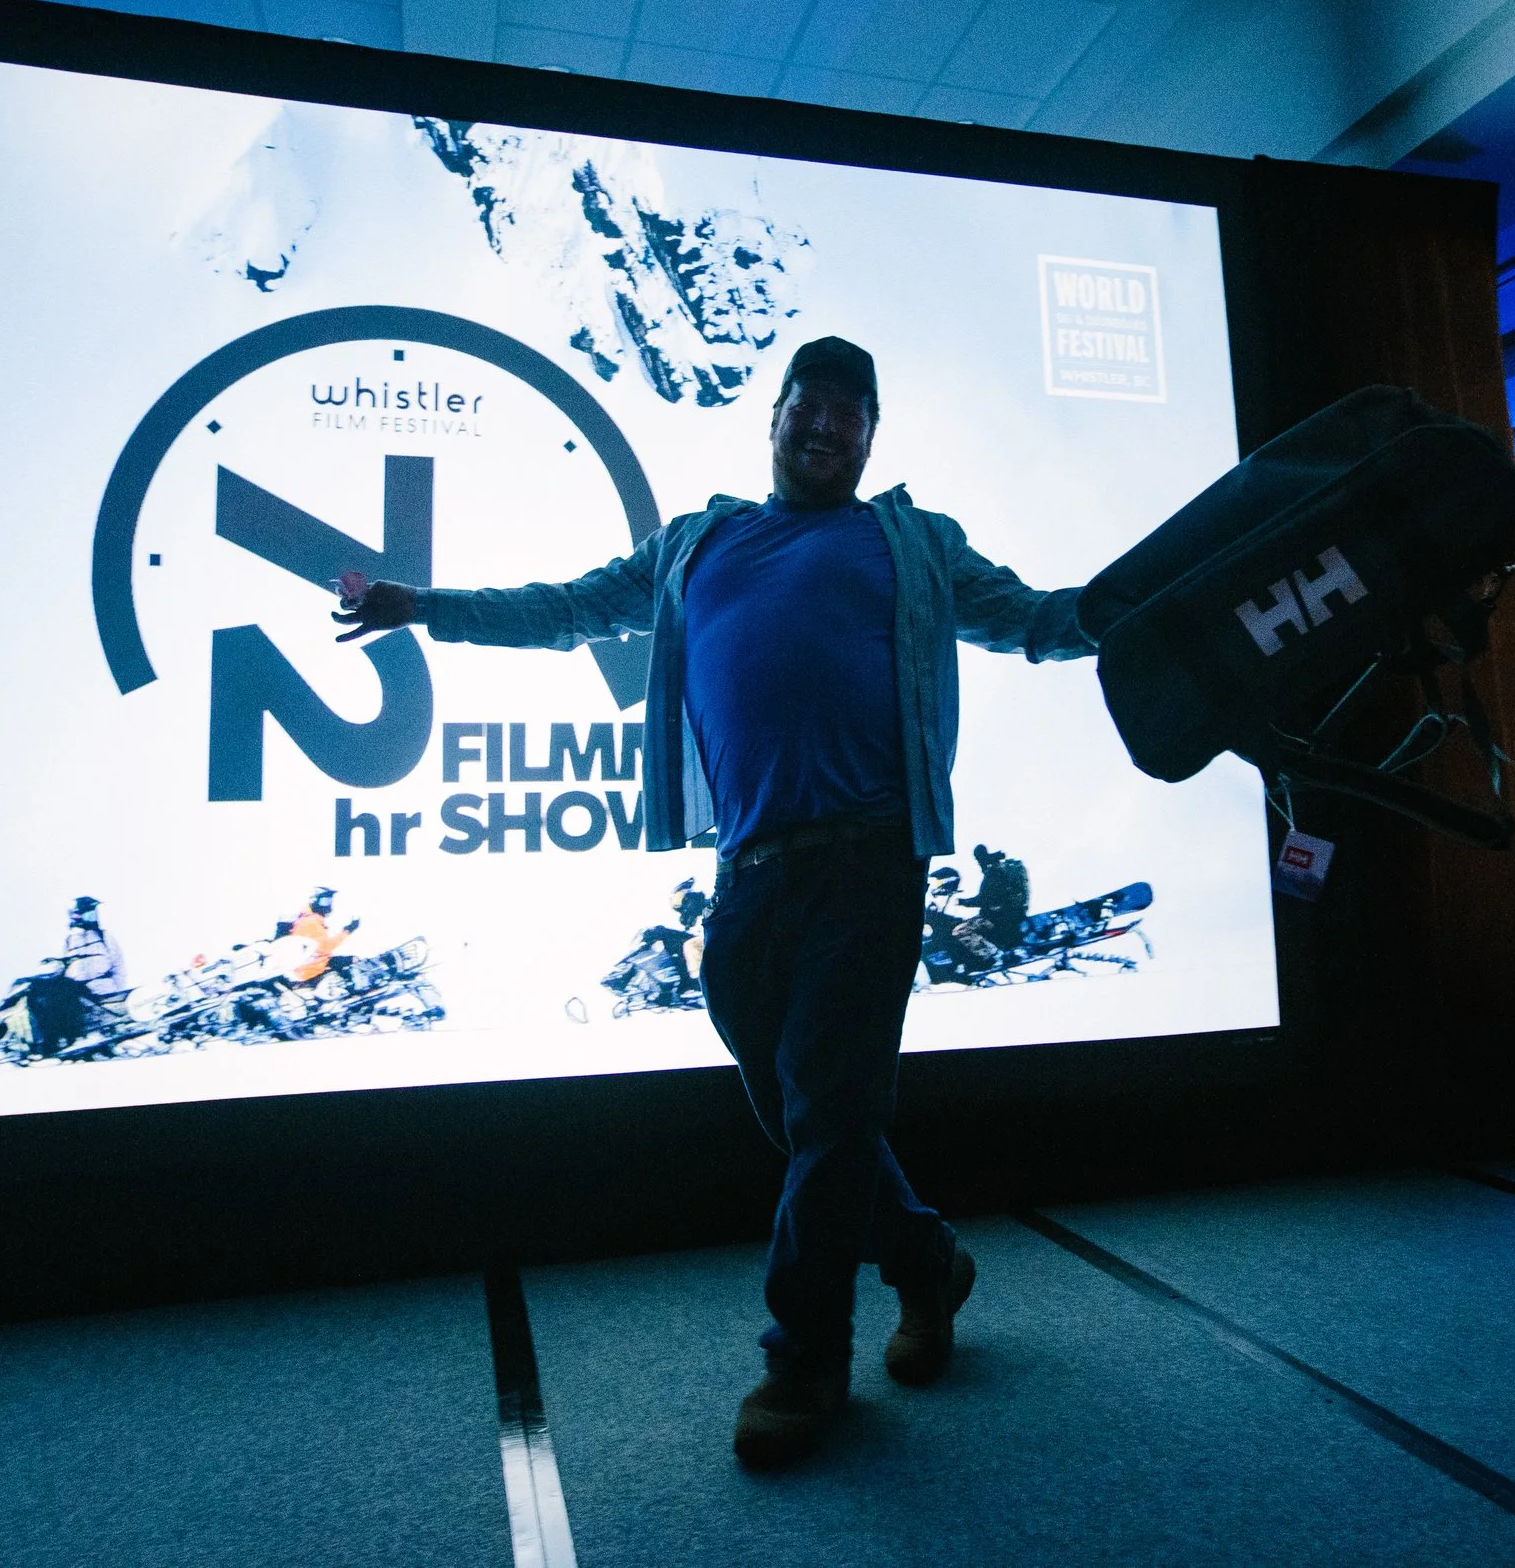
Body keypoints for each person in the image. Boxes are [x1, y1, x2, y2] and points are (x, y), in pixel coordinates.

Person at [334, 335, 1095, 1467]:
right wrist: (427, 607)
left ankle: (805, 1360)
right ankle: (927, 1260)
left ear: (870, 437)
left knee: (831, 1110)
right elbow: (564, 606)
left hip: (869, 865)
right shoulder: (700, 542)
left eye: (850, 411)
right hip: (746, 875)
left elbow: (1033, 619)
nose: (827, 425)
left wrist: (1146, 605)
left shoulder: (914, 545)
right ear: (776, 418)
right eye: (810, 404)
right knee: (804, 1113)